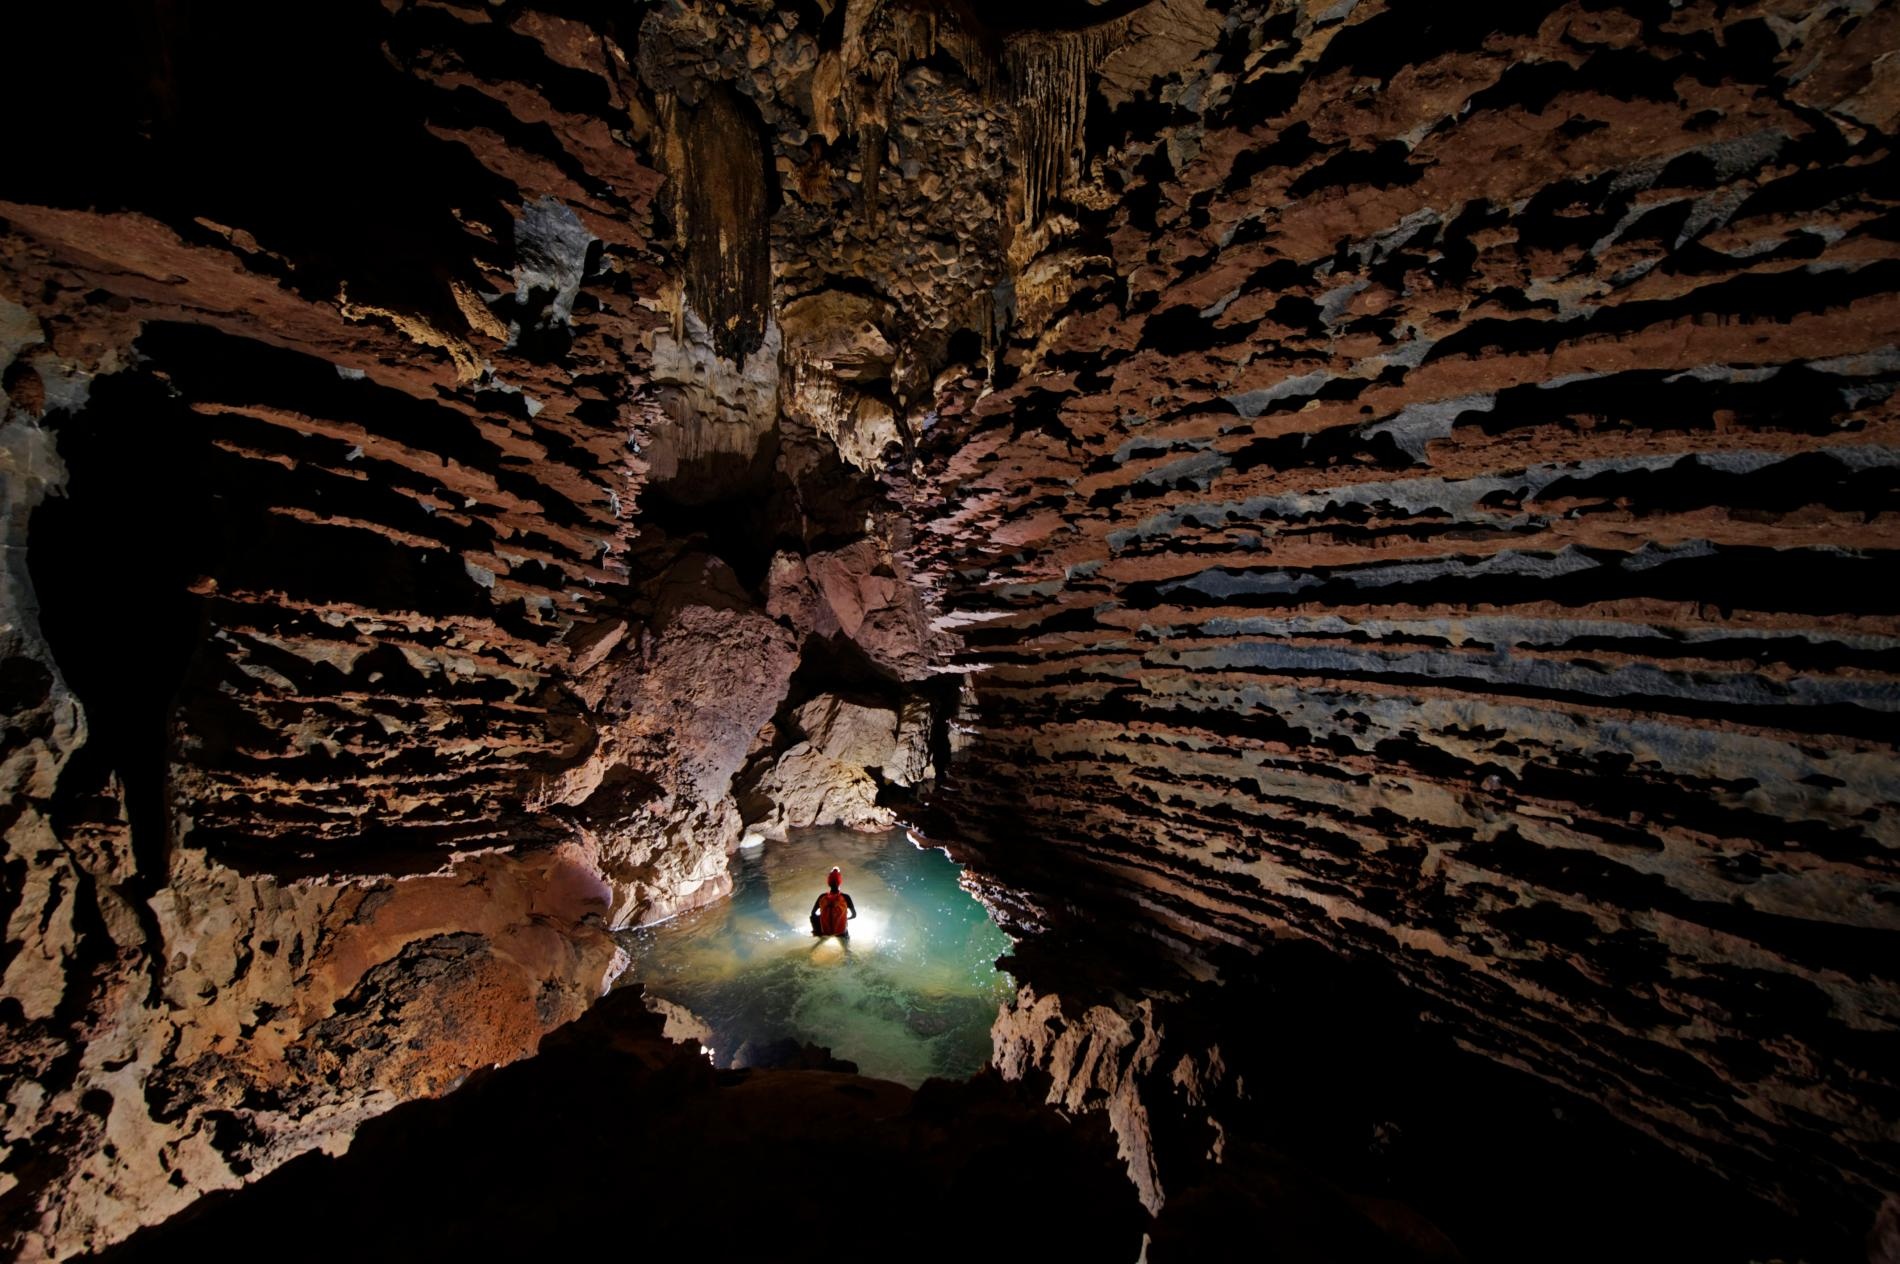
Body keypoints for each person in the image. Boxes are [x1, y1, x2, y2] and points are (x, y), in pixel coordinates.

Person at [809, 867, 856, 937]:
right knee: (845, 929)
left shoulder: (822, 897)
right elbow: (854, 915)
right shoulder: (846, 897)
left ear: (829, 883)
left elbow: (813, 913)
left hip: (825, 932)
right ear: (840, 882)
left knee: (813, 917)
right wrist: (845, 918)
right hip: (841, 933)